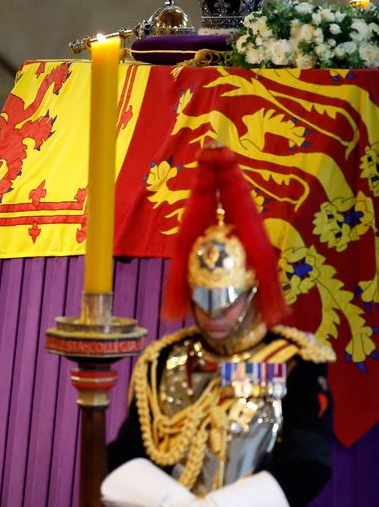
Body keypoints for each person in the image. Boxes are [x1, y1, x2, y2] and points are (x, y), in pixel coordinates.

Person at [102, 145, 335, 507]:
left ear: (251, 291)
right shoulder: (162, 361)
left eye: (227, 303)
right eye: (203, 301)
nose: (214, 316)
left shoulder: (295, 361)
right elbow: (125, 452)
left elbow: (309, 462)